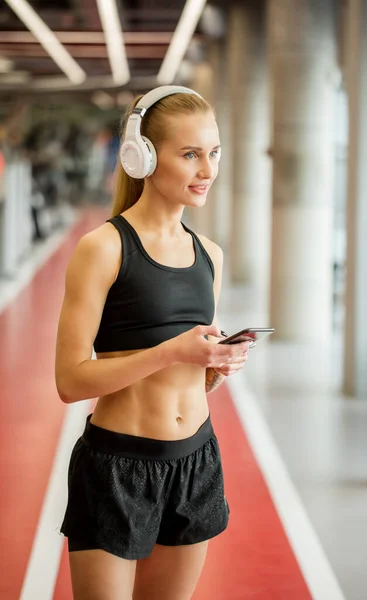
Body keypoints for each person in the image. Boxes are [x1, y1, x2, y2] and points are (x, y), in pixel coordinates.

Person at [55, 85, 251, 600]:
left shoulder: (210, 254)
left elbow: (187, 370)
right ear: (141, 157)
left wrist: (213, 365)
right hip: (118, 468)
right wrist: (173, 351)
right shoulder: (102, 249)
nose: (206, 169)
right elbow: (70, 381)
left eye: (213, 153)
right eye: (189, 154)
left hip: (196, 462)